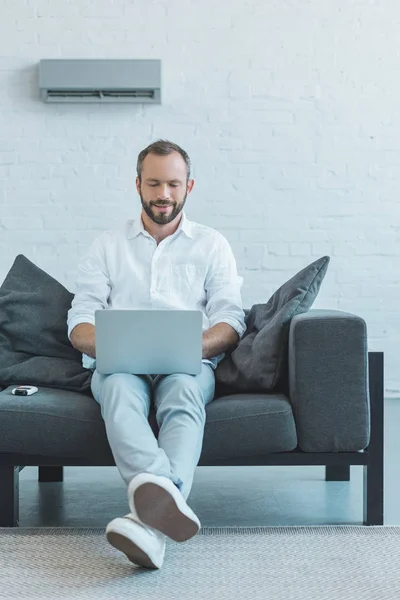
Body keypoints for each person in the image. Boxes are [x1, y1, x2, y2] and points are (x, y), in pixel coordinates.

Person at [67, 139, 246, 569]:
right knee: (119, 392)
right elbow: (79, 322)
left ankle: (146, 521)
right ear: (138, 185)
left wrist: (189, 347)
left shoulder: (211, 244)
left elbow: (231, 321)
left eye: (172, 184)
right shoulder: (107, 245)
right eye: (153, 183)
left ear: (189, 187)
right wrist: (114, 346)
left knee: (184, 396)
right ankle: (163, 504)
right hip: (121, 365)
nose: (163, 194)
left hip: (187, 363)